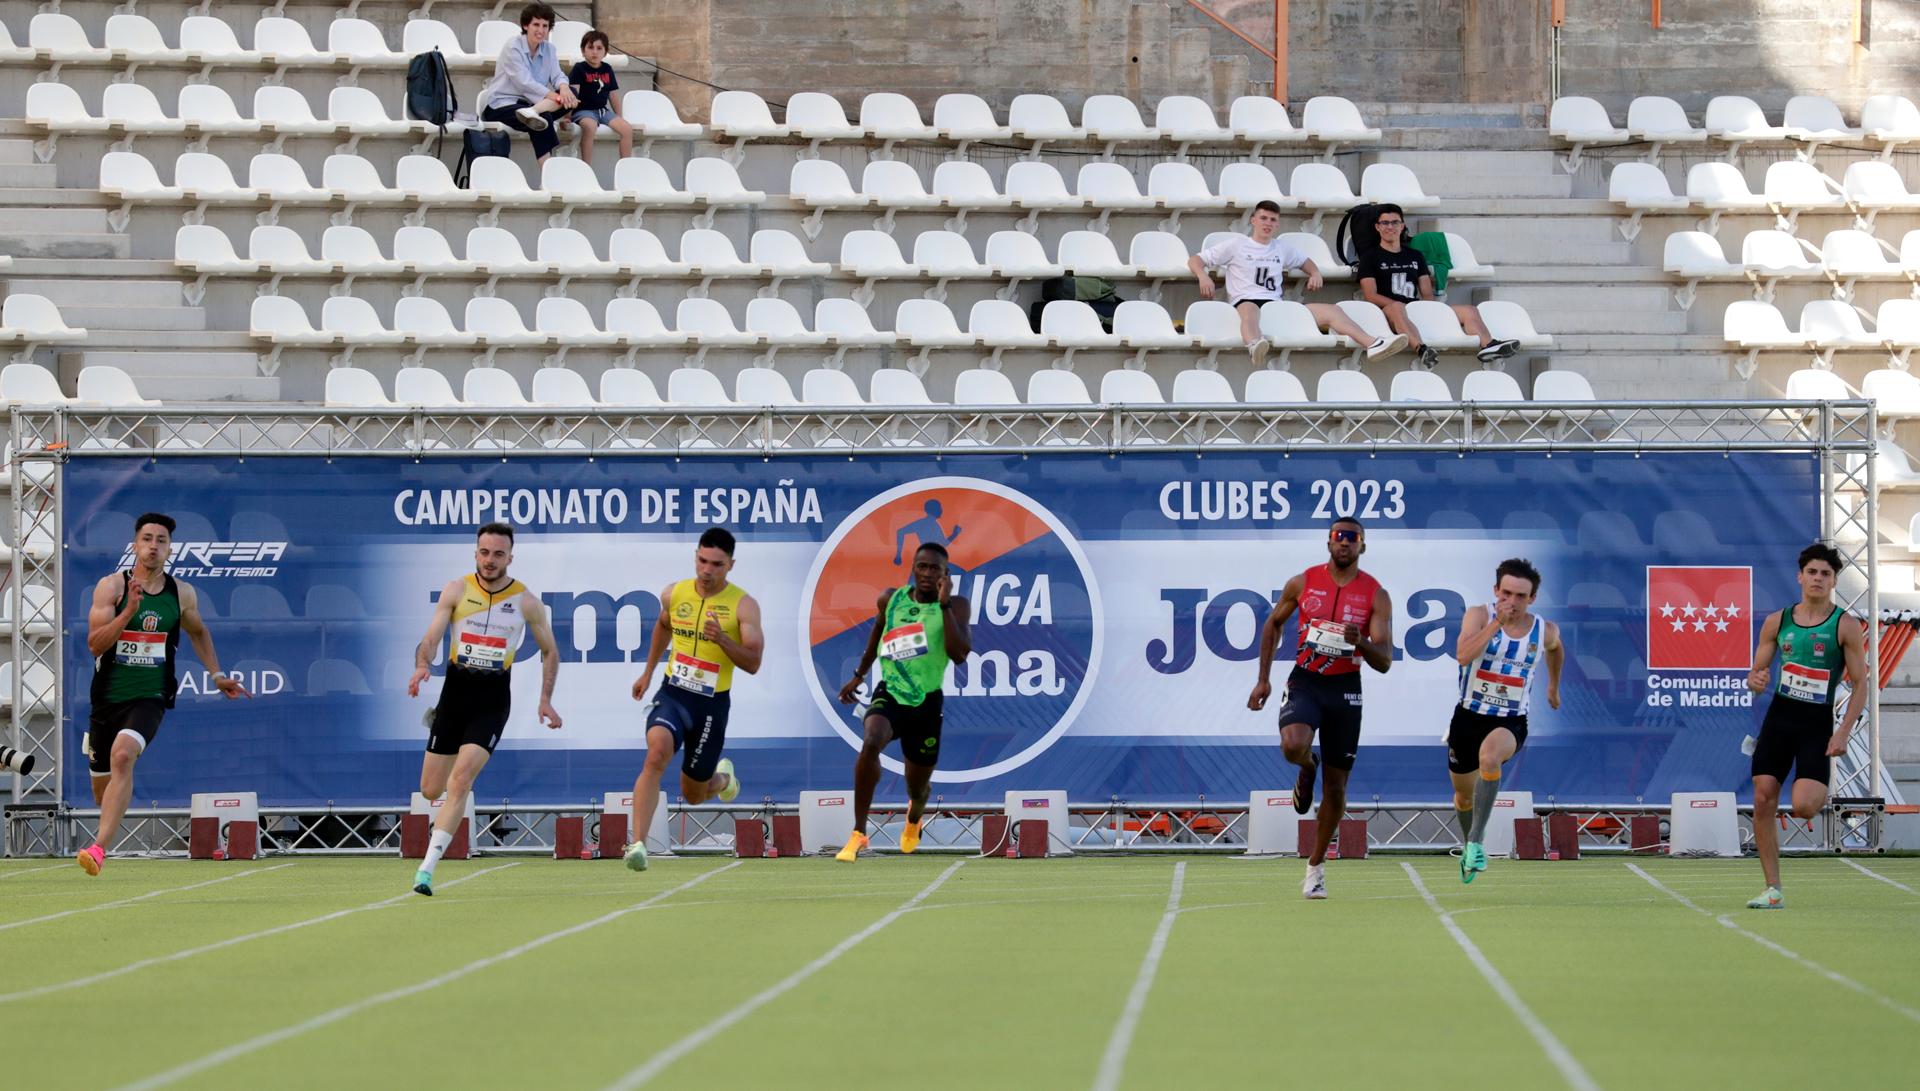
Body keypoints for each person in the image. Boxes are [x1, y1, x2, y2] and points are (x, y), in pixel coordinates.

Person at [78, 513, 250, 875]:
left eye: (161, 540)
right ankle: (102, 821)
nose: (153, 546)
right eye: (147, 539)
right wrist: (128, 613)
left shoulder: (182, 593)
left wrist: (217, 674)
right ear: (135, 545)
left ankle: (97, 848)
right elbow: (95, 645)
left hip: (151, 696)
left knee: (123, 756)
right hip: (107, 699)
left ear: (170, 549)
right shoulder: (111, 587)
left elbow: (198, 632)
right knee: (101, 791)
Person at [406, 522, 562, 895]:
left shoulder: (526, 602)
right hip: (455, 695)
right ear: (475, 553)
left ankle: (427, 869)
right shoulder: (457, 589)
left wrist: (545, 699)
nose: (490, 560)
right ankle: (440, 734)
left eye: (498, 554)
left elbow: (550, 651)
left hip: (492, 701)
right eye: (484, 552)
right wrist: (422, 664)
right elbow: (431, 636)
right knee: (430, 790)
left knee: (461, 781)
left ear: (510, 557)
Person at [1247, 518, 1392, 900]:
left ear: (1363, 545)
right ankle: (1306, 767)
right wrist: (1263, 679)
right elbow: (1272, 625)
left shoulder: (1376, 594)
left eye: (1352, 538)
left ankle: (1315, 866)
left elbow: (1385, 660)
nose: (1344, 543)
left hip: (1345, 688)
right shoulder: (1303, 582)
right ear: (1327, 543)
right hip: (1307, 680)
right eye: (1337, 537)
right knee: (1293, 746)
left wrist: (1360, 641)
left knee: (1338, 788)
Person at [625, 527, 764, 871]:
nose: (707, 570)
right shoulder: (675, 593)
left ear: (730, 564)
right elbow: (663, 626)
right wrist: (647, 673)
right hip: (673, 694)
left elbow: (753, 662)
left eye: (716, 564)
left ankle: (724, 780)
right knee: (656, 755)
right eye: (702, 561)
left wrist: (722, 641)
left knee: (694, 794)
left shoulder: (743, 605)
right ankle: (638, 845)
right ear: (695, 557)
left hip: (710, 707)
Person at [1742, 542, 1868, 910]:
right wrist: (1755, 680)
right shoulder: (1777, 621)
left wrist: (1843, 731)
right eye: (1812, 572)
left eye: (1825, 574)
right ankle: (1773, 889)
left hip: (1817, 724)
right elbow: (1757, 671)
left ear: (1833, 581)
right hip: (1780, 719)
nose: (1817, 579)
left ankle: (1813, 785)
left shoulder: (1844, 625)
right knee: (1763, 796)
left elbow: (1860, 683)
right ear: (1800, 577)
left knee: (1806, 807)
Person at [832, 543, 973, 861]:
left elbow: (959, 654)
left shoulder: (956, 606)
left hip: (926, 703)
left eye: (934, 568)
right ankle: (858, 833)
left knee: (918, 789)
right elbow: (876, 634)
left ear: (944, 574)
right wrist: (859, 675)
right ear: (912, 567)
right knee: (870, 741)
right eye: (921, 566)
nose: (926, 573)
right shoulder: (891, 599)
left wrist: (945, 604)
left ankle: (913, 817)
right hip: (890, 693)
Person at [1449, 559, 1563, 884]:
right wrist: (1496, 624)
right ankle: (1472, 842)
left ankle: (1475, 842)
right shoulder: (1480, 615)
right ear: (1495, 590)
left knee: (1489, 757)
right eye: (1507, 593)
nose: (1512, 602)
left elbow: (1555, 649)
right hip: (1468, 716)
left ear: (1533, 599)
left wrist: (1553, 686)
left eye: (1521, 597)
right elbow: (1463, 655)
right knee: (1463, 797)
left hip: (1510, 721)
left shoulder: (1544, 630)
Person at [1191, 199, 1408, 367]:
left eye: (1273, 220)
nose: (1268, 223)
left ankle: (1373, 343)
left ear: (1277, 224)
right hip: (1246, 300)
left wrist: (1314, 273)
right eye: (1264, 218)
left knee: (1332, 310)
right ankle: (1254, 345)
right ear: (1253, 220)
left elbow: (1306, 262)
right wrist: (1203, 275)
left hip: (1276, 304)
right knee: (1249, 310)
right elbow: (1196, 260)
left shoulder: (1281, 247)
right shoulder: (1236, 245)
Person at [1355, 203, 1518, 370]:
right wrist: (1401, 306)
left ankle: (1488, 345)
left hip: (1414, 307)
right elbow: (1371, 295)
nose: (1390, 227)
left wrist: (1428, 310)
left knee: (1469, 310)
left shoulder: (1415, 255)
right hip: (1388, 313)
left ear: (1402, 225)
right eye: (1385, 223)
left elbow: (1426, 292)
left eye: (1395, 222)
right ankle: (1422, 349)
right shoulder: (1370, 257)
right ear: (1377, 227)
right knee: (1396, 307)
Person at [479, 3, 578, 164]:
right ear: (526, 25)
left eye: (545, 26)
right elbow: (524, 83)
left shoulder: (549, 49)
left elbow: (557, 75)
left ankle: (532, 111)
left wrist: (564, 88)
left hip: (532, 104)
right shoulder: (513, 46)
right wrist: (554, 96)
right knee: (541, 119)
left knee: (573, 93)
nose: (541, 30)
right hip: (502, 106)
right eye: (536, 24)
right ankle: (548, 172)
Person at [568, 30, 632, 165]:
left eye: (599, 48)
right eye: (590, 48)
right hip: (582, 111)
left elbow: (612, 94)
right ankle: (587, 166)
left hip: (602, 111)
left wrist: (619, 115)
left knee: (626, 129)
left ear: (605, 51)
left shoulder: (607, 69)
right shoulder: (579, 68)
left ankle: (626, 167)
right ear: (583, 51)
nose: (595, 52)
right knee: (590, 127)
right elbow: (572, 93)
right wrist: (567, 117)